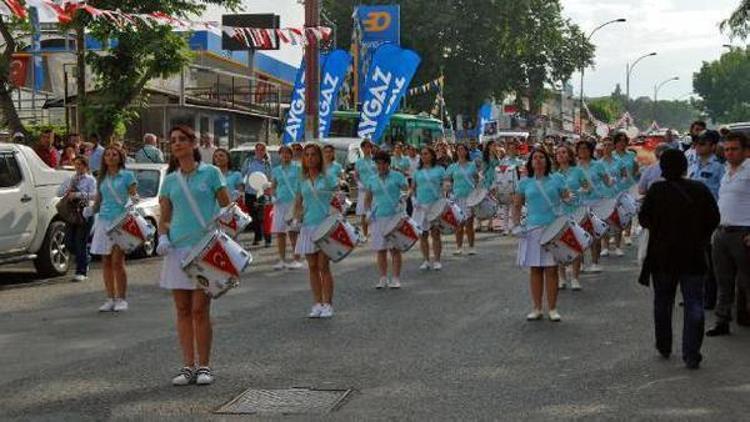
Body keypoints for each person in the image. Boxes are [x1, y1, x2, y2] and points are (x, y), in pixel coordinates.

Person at [156, 125, 231, 386]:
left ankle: (205, 366)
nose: (176, 144)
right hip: (177, 250)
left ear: (193, 143)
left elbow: (227, 207)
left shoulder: (210, 173)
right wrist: (163, 237)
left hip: (205, 249)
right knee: (182, 309)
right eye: (173, 140)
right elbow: (164, 217)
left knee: (200, 309)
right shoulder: (170, 180)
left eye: (181, 140)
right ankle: (188, 365)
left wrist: (221, 231)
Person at [638, 149, 719, 369]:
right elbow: (714, 218)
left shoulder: (656, 191)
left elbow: (644, 218)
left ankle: (664, 344)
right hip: (693, 255)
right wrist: (699, 237)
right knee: (694, 303)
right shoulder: (699, 189)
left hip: (662, 257)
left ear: (662, 168)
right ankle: (691, 353)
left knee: (663, 302)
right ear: (685, 167)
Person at [512, 148, 572, 322]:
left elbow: (567, 197)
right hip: (532, 229)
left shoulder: (558, 179)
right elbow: (516, 205)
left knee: (552, 269)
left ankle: (553, 308)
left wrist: (570, 198)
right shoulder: (524, 182)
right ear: (530, 163)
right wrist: (516, 225)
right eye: (535, 158)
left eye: (541, 157)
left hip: (553, 227)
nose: (538, 160)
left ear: (547, 161)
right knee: (535, 269)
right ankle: (537, 308)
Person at [706, 132, 750, 336]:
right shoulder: (725, 171)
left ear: (745, 150)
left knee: (746, 280)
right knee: (723, 280)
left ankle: (745, 316)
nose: (730, 153)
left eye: (734, 149)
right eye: (727, 149)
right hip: (721, 232)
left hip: (743, 234)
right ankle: (722, 321)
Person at [86, 145, 138, 312]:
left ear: (120, 157)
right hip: (103, 221)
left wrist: (132, 202)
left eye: (114, 154)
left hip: (120, 222)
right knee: (106, 261)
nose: (110, 157)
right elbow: (99, 201)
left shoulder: (128, 175)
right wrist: (89, 210)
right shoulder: (102, 177)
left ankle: (122, 298)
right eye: (107, 154)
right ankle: (110, 298)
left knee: (117, 261)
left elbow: (134, 196)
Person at [293, 144, 339, 318]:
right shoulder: (302, 179)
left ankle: (328, 304)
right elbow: (298, 202)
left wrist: (337, 207)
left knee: (323, 266)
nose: (310, 158)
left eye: (313, 155)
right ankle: (317, 303)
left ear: (319, 158)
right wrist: (296, 218)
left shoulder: (328, 177)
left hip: (325, 226)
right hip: (307, 226)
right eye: (307, 155)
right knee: (312, 267)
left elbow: (340, 196)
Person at [688, 130, 725, 310]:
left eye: (703, 143)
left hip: (709, 219)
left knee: (710, 261)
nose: (698, 146)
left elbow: (722, 194)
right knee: (694, 259)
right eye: (697, 143)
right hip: (692, 219)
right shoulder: (693, 166)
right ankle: (695, 294)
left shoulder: (719, 168)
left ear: (712, 146)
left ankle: (710, 298)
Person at [364, 150, 409, 289]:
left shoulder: (397, 176)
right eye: (378, 164)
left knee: (395, 249)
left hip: (394, 216)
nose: (381, 166)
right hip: (378, 217)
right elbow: (368, 198)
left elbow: (408, 189)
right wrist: (367, 212)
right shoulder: (372, 179)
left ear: (388, 164)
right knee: (381, 249)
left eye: (383, 163)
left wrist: (404, 198)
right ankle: (383, 278)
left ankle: (395, 278)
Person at [57, 156, 97, 281]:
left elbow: (94, 196)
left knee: (80, 242)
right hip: (71, 214)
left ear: (86, 166)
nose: (78, 167)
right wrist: (67, 190)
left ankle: (81, 271)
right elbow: (58, 193)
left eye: (81, 164)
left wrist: (78, 194)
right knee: (69, 242)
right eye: (76, 164)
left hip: (85, 214)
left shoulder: (91, 180)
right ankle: (86, 258)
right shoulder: (71, 178)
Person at [576, 139, 612, 273]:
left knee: (594, 234)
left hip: (596, 203)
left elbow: (608, 182)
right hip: (579, 205)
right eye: (580, 149)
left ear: (591, 150)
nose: (582, 151)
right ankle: (580, 263)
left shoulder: (598, 165)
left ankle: (595, 262)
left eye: (585, 148)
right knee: (579, 235)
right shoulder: (575, 167)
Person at [553, 144, 585, 290]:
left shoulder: (578, 171)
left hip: (575, 211)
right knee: (559, 245)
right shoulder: (553, 174)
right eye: (558, 153)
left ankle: (575, 278)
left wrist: (577, 191)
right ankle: (561, 277)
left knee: (575, 244)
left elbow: (587, 187)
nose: (561, 155)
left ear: (570, 155)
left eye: (564, 152)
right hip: (558, 213)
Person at [411, 146, 446, 271]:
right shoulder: (417, 172)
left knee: (435, 233)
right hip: (421, 206)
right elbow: (413, 188)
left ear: (432, 155)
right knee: (423, 234)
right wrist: (413, 199)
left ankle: (437, 260)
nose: (423, 156)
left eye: (426, 154)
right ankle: (426, 260)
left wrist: (446, 191)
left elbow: (446, 183)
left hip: (435, 205)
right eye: (422, 154)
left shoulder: (440, 170)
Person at [270, 145, 302, 270]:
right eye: (282, 153)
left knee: (293, 232)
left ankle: (297, 259)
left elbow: (302, 184)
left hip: (293, 203)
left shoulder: (298, 168)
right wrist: (273, 196)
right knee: (280, 232)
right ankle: (282, 260)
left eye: (288, 153)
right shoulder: (276, 170)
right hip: (279, 203)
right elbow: (273, 185)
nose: (285, 155)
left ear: (291, 154)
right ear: (280, 155)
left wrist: (300, 202)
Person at [445, 143, 479, 256]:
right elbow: (447, 180)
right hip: (456, 197)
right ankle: (458, 247)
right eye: (458, 150)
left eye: (462, 149)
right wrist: (447, 188)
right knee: (458, 224)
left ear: (466, 152)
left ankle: (471, 246)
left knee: (469, 223)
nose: (460, 151)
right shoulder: (452, 167)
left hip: (470, 197)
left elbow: (477, 179)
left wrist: (478, 193)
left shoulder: (472, 165)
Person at [599, 137, 626, 257]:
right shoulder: (598, 163)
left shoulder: (619, 161)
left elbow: (625, 175)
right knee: (604, 221)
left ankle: (618, 246)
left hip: (617, 194)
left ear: (613, 147)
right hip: (603, 196)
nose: (607, 147)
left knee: (617, 221)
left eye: (609, 145)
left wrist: (620, 183)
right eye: (604, 145)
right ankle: (605, 246)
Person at [242, 143, 273, 247]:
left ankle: (266, 239)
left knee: (261, 216)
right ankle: (258, 236)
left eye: (262, 150)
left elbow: (269, 178)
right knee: (253, 216)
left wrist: (268, 190)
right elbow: (243, 174)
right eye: (257, 150)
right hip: (249, 192)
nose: (259, 152)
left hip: (261, 193)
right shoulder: (249, 161)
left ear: (265, 151)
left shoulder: (267, 164)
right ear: (255, 151)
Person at [355, 139, 376, 238]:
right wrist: (359, 184)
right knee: (363, 212)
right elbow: (356, 175)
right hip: (363, 189)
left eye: (369, 147)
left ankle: (375, 231)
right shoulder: (359, 162)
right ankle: (365, 233)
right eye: (365, 147)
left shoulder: (375, 161)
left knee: (375, 210)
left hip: (374, 189)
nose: (367, 149)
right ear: (362, 148)